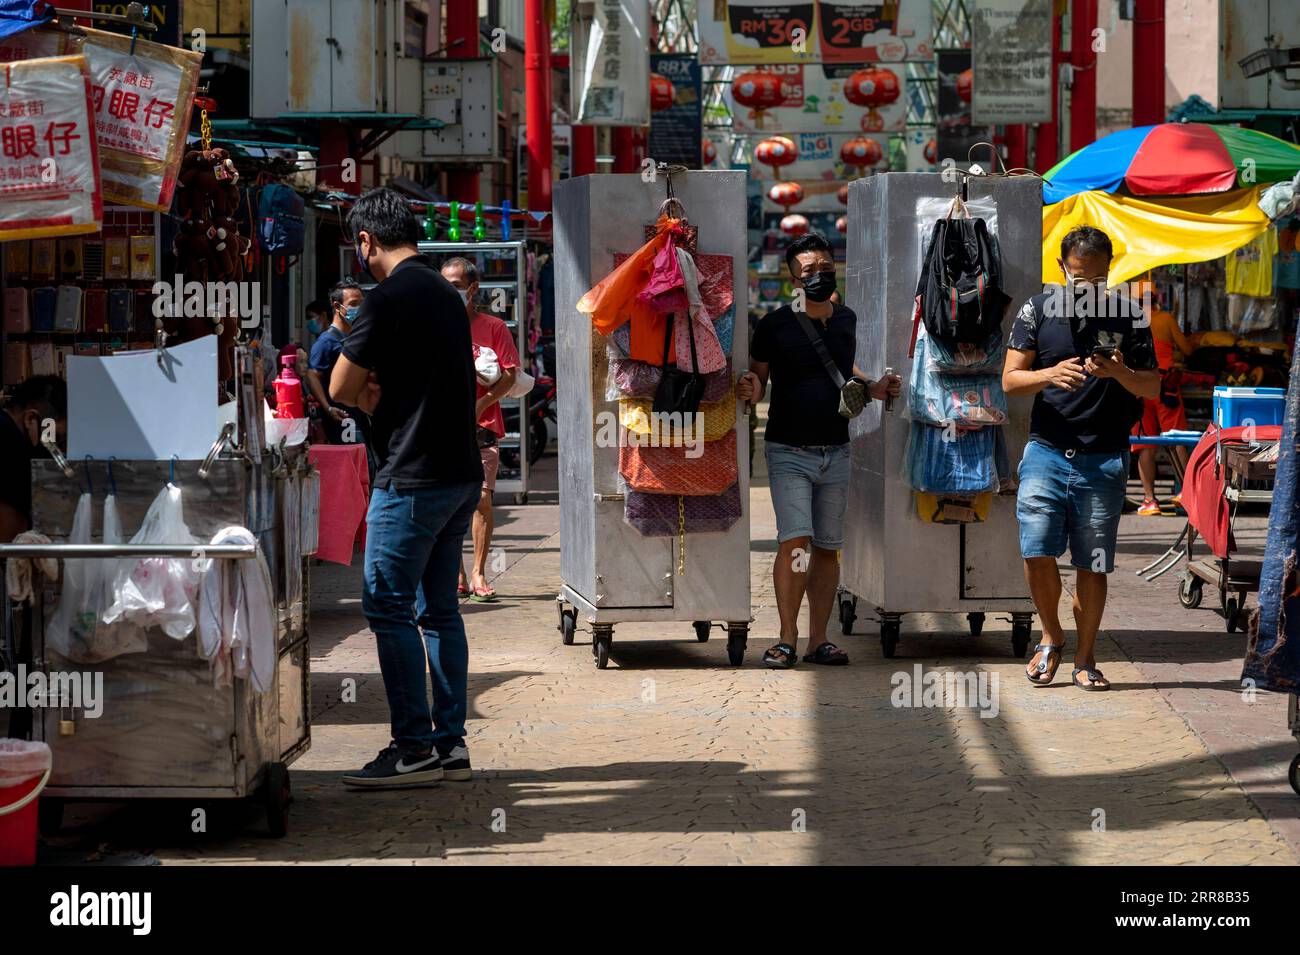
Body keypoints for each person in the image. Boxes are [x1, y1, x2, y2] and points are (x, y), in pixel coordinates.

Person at [330, 187, 482, 788]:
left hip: (413, 476)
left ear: (366, 241)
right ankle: (450, 745)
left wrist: (368, 385)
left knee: (386, 606)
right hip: (459, 474)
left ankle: (412, 747)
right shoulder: (448, 293)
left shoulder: (386, 297)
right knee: (439, 611)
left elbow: (342, 388)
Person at [1003, 226, 1159, 692]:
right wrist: (1049, 373)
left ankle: (1086, 658)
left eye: (1093, 282)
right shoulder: (1037, 310)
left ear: (1110, 271)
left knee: (1092, 563)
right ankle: (1051, 635)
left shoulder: (1130, 315)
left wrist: (1119, 372)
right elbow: (1009, 380)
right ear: (1062, 270)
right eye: (1076, 280)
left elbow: (1151, 387)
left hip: (1104, 457)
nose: (1084, 290)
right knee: (1036, 552)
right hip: (1046, 453)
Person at [737, 231, 900, 669]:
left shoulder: (846, 319)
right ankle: (786, 638)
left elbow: (844, 367)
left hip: (837, 450)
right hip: (788, 450)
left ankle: (818, 640)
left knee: (828, 547)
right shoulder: (773, 325)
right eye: (809, 270)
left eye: (825, 267)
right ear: (793, 277)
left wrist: (875, 387)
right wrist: (750, 388)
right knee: (796, 543)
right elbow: (758, 381)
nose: (819, 275)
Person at [440, 256, 519, 603]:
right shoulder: (434, 325)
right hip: (441, 426)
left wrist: (481, 404)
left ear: (472, 289)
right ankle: (456, 573)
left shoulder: (493, 327)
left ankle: (478, 572)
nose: (449, 291)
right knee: (446, 502)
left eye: (455, 285)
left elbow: (511, 376)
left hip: (482, 424)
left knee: (481, 498)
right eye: (445, 284)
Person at [1130, 279, 1196, 515]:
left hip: (1138, 387)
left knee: (1144, 443)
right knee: (1177, 438)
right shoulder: (1166, 319)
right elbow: (1187, 350)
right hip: (1164, 385)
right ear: (1156, 299)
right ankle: (1186, 492)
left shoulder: (1129, 320)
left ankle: (1150, 500)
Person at [0, 375, 66, 543]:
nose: (56, 450)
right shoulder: (10, 442)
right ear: (31, 419)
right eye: (55, 438)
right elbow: (11, 537)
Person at [308, 278, 365, 445]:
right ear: (337, 307)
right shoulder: (326, 342)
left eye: (361, 303)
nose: (359, 309)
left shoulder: (354, 337)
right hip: (345, 422)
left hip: (360, 416)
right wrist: (328, 408)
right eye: (354, 304)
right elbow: (312, 375)